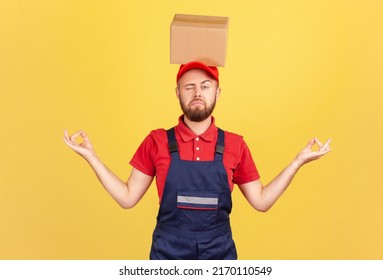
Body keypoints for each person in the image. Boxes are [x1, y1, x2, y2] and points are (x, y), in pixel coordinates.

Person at [63, 61, 331, 260]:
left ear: (218, 92)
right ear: (177, 93)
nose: (197, 93)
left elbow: (261, 202)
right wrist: (91, 157)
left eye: (205, 86)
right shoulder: (156, 141)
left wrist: (297, 162)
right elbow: (127, 197)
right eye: (188, 87)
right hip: (168, 254)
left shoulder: (235, 144)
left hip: (219, 254)